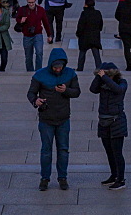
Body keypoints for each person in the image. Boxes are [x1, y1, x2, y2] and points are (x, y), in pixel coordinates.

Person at [27, 47, 81, 191]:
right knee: (46, 150)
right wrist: (36, 100)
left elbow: (77, 92)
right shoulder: (40, 75)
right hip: (46, 119)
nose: (58, 69)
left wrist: (66, 91)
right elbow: (31, 93)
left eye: (60, 66)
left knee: (63, 149)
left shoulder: (70, 74)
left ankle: (62, 177)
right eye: (55, 67)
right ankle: (45, 178)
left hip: (63, 118)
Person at [90, 62, 128, 190]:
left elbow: (118, 90)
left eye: (107, 74)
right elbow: (92, 89)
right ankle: (114, 175)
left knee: (117, 152)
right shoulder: (102, 83)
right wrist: (98, 76)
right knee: (109, 151)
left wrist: (105, 77)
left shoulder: (122, 82)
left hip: (117, 121)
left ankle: (121, 179)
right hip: (104, 121)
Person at [14, 0, 54, 71]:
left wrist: (49, 35)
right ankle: (30, 71)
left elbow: (46, 23)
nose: (31, 4)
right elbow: (17, 18)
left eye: (32, 2)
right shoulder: (23, 9)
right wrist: (21, 20)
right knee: (28, 56)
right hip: (27, 35)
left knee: (39, 52)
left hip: (37, 34)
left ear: (35, 0)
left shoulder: (40, 10)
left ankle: (38, 70)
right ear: (26, 1)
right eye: (29, 2)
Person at [76, 0, 103, 71]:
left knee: (82, 53)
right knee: (96, 54)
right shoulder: (98, 13)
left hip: (85, 37)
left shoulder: (84, 13)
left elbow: (80, 25)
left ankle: (80, 67)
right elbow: (101, 25)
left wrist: (78, 34)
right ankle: (99, 68)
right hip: (94, 36)